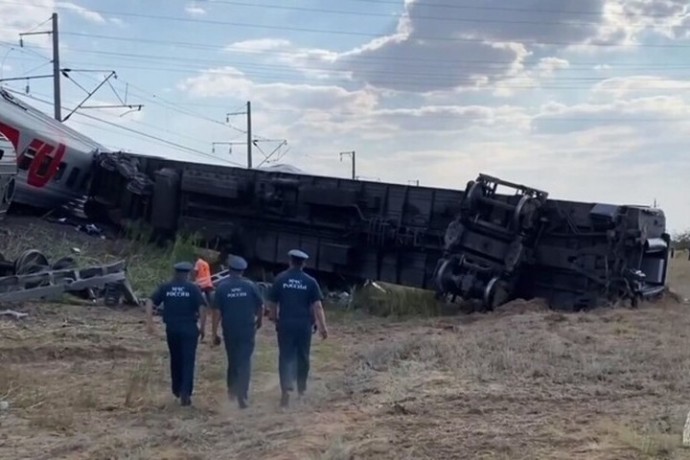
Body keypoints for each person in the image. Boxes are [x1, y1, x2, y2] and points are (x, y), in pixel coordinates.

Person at [266, 249, 328, 408]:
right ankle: (301, 390)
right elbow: (318, 306)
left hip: (285, 323)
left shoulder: (280, 279)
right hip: (304, 325)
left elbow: (272, 303)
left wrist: (274, 318)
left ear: (290, 261)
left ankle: (285, 390)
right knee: (303, 356)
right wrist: (323, 327)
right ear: (304, 264)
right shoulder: (310, 281)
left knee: (285, 356)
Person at [146, 261, 207, 407]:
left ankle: (177, 389)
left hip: (172, 329)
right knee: (188, 360)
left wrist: (149, 321)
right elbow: (202, 307)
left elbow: (150, 300)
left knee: (175, 359)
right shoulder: (192, 288)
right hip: (189, 329)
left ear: (175, 273)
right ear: (187, 274)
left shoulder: (166, 287)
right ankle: (186, 392)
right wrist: (203, 327)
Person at [210, 255, 264, 409]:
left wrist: (214, 333)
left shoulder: (222, 287)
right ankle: (243, 394)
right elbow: (261, 306)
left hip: (230, 329)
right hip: (247, 328)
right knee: (245, 361)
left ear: (229, 270)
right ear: (242, 271)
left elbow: (216, 312)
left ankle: (232, 391)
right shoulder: (251, 286)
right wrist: (259, 321)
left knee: (233, 360)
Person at [192, 253, 215, 339]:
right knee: (209, 297)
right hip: (208, 282)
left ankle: (199, 310)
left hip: (201, 283)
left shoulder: (198, 262)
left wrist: (194, 279)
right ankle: (214, 309)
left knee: (197, 298)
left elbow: (196, 271)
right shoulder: (206, 263)